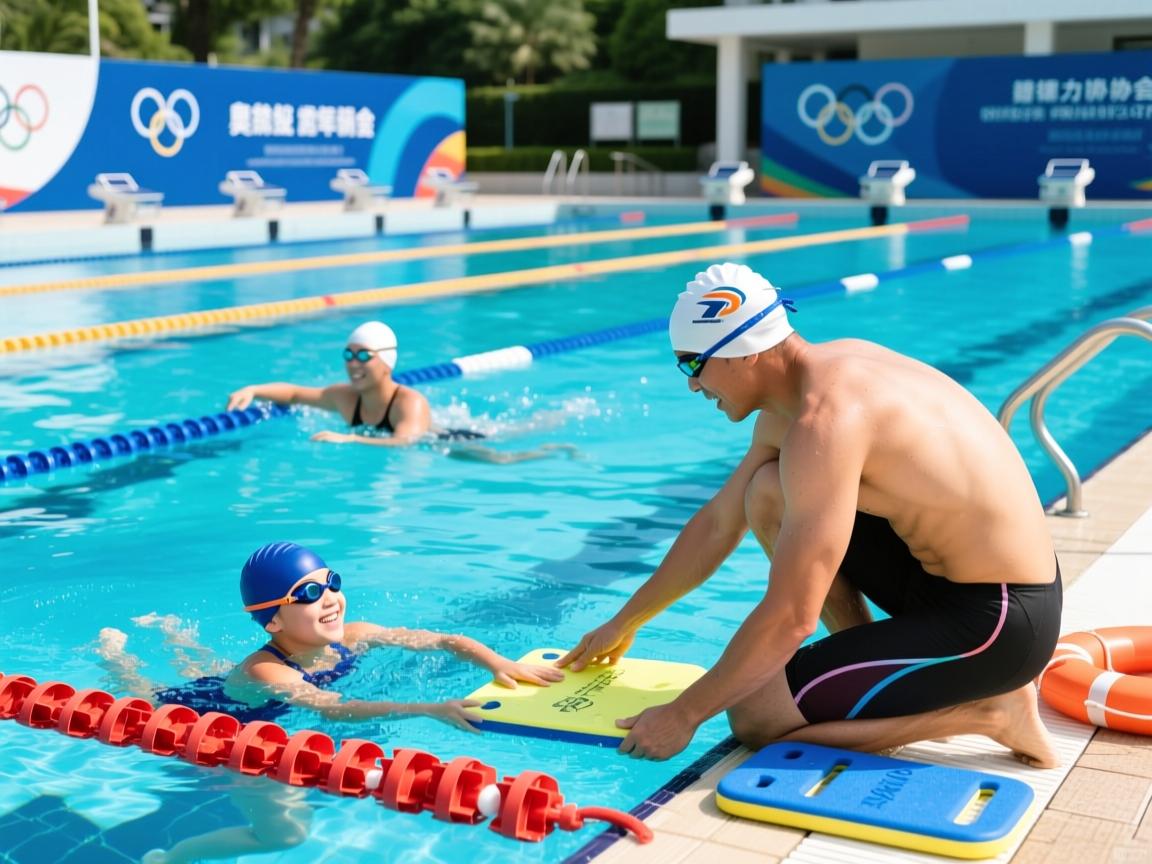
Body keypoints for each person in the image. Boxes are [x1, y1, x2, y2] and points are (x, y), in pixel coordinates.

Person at [558, 262, 1062, 768]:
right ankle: (867, 676)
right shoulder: (816, 382)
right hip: (944, 581)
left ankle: (991, 713)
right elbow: (718, 523)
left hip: (998, 620)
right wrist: (624, 622)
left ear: (744, 351)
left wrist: (683, 714)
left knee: (755, 715)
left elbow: (792, 616)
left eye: (693, 364)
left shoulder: (829, 419)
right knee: (767, 491)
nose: (692, 385)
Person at [97, 541, 564, 729]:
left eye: (332, 582)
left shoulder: (355, 634)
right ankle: (114, 652)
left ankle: (173, 633)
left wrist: (498, 663)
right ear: (273, 621)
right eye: (309, 592)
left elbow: (440, 640)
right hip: (205, 710)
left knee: (213, 670)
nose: (330, 598)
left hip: (247, 686)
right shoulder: (266, 671)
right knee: (147, 696)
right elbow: (335, 708)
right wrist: (427, 708)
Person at [225, 320, 576, 463]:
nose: (353, 363)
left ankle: (552, 446)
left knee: (501, 458)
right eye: (349, 355)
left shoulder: (410, 402)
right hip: (405, 438)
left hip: (449, 439)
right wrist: (254, 389)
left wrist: (349, 439)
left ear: (387, 362)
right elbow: (295, 394)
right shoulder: (345, 397)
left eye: (364, 356)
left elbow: (404, 441)